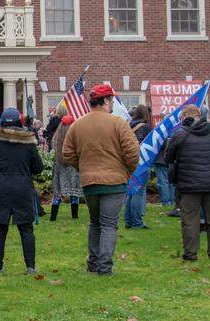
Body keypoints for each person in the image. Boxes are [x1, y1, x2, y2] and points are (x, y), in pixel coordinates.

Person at [61, 83, 140, 276]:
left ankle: (93, 264)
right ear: (106, 100)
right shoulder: (119, 123)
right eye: (111, 99)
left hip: (90, 183)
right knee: (108, 225)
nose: (112, 103)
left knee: (95, 223)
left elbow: (67, 154)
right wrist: (126, 171)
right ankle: (104, 267)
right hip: (114, 183)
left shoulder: (77, 125)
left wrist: (84, 168)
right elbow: (133, 154)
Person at [0, 108, 43, 274]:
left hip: (1, 187)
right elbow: (38, 167)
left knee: (0, 228)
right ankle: (30, 266)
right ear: (19, 122)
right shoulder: (28, 140)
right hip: (22, 188)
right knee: (26, 229)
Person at [165, 106, 210, 261]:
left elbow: (168, 157)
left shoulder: (180, 134)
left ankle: (190, 254)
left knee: (190, 221)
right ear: (199, 115)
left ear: (184, 116)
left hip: (188, 184)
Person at [49, 110, 82, 221]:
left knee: (57, 192)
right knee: (74, 191)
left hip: (59, 167)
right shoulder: (76, 137)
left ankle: (53, 217)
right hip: (73, 167)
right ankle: (74, 217)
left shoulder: (56, 138)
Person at [124, 106, 152, 229]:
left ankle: (128, 220)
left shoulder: (127, 126)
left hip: (128, 162)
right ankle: (136, 221)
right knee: (138, 192)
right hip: (141, 162)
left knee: (130, 192)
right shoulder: (146, 128)